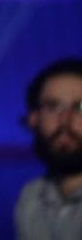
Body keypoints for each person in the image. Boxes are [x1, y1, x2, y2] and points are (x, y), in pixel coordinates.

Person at [15, 58, 82, 240]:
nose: (65, 120)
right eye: (53, 106)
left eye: (80, 107)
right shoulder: (30, 199)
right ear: (33, 119)